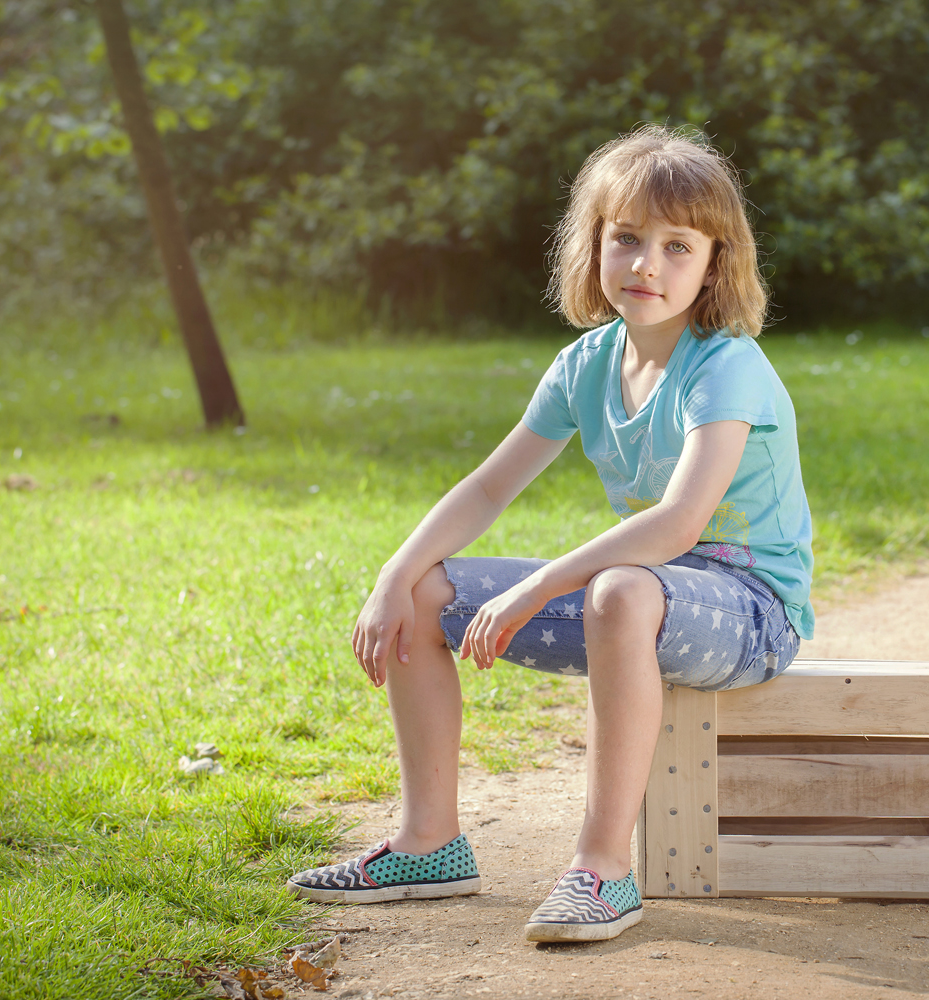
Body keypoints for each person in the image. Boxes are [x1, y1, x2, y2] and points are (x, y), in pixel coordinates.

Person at [287, 124, 815, 943]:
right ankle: (429, 844)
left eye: (678, 247)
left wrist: (540, 586)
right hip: (642, 600)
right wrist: (396, 572)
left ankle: (602, 873)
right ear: (594, 245)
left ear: (717, 261)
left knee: (617, 589)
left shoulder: (727, 366)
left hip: (750, 614)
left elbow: (678, 524)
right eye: (627, 239)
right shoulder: (586, 364)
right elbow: (491, 485)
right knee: (428, 594)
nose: (647, 265)